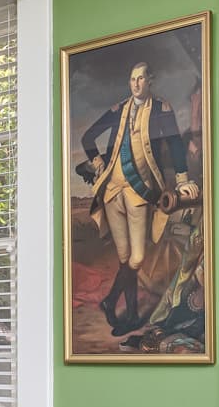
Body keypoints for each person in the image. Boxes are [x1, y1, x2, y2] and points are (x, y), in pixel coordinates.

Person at [76, 61, 198, 335]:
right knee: (124, 258)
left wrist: (182, 180)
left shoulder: (161, 110)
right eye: (133, 79)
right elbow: (88, 137)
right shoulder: (119, 109)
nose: (136, 84)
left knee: (137, 258)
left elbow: (176, 144)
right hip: (112, 192)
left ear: (150, 81)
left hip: (139, 192)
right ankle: (129, 315)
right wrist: (98, 164)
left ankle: (110, 300)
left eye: (141, 79)